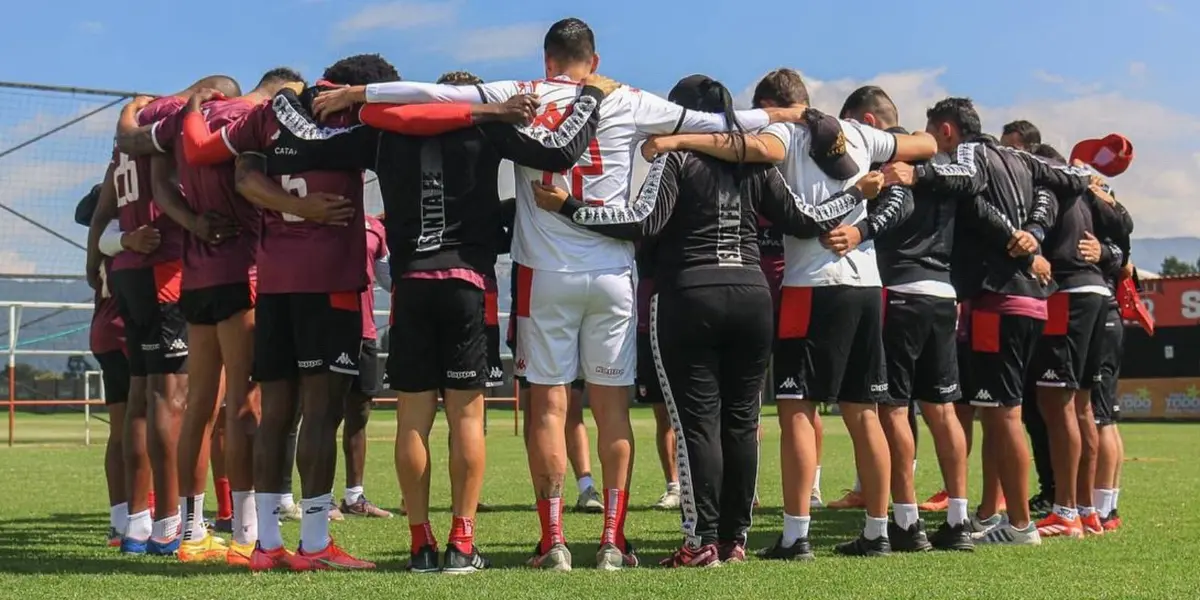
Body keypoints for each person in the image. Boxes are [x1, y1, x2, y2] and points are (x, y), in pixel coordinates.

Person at [317, 17, 811, 571]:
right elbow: (729, 123)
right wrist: (791, 115)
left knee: (549, 409)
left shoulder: (523, 93)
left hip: (543, 273)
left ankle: (552, 540)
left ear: (547, 61)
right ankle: (611, 541)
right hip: (612, 274)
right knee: (612, 411)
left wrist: (360, 93)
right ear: (593, 62)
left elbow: (436, 95)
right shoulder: (629, 98)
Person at [264, 64, 611, 573]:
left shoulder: (384, 131)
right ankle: (462, 545)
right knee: (467, 420)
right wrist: (589, 100)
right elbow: (559, 151)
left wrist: (292, 97)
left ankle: (420, 543)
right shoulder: (489, 126)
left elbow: (305, 143)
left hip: (411, 288)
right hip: (467, 285)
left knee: (413, 422)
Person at [534, 73, 885, 566]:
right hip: (751, 297)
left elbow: (641, 222)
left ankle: (700, 543)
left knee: (696, 423)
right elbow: (805, 218)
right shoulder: (756, 162)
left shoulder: (675, 157)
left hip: (688, 297)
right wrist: (856, 195)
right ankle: (734, 540)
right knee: (742, 422)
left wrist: (570, 207)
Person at [643, 68, 937, 558]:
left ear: (772, 106)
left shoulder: (779, 133)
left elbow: (757, 152)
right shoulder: (860, 133)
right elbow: (925, 145)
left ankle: (796, 533)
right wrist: (902, 177)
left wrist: (679, 141)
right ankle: (880, 529)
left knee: (796, 409)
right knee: (866, 411)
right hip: (866, 283)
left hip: (811, 284)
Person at [181, 57, 401, 570]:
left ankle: (265, 546)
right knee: (321, 413)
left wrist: (194, 106)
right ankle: (316, 542)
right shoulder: (354, 115)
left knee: (277, 414)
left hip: (274, 284)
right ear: (360, 88)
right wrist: (312, 210)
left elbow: (219, 162)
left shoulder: (268, 116)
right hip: (330, 284)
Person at [892, 97, 1099, 545]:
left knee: (1003, 415)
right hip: (1030, 302)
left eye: (932, 135)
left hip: (996, 299)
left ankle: (1021, 524)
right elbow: (1072, 180)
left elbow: (965, 183)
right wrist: (1035, 234)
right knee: (1000, 410)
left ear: (946, 130)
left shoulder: (971, 154)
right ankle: (996, 511)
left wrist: (918, 172)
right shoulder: (1021, 158)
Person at [99, 74, 239, 556]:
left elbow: (105, 210)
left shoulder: (131, 134)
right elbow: (164, 192)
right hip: (165, 268)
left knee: (141, 398)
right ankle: (169, 527)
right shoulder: (179, 123)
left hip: (128, 273)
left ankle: (136, 524)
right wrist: (198, 222)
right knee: (171, 399)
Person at [838, 86, 973, 551]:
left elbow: (889, 212)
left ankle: (908, 521)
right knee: (941, 409)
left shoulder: (891, 163)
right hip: (943, 292)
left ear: (869, 124)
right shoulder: (941, 164)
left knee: (893, 408)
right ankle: (958, 520)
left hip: (898, 289)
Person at [1025, 143, 1133, 538]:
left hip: (1067, 295)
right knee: (1083, 406)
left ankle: (1066, 510)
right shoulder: (1086, 190)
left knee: (1057, 403)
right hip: (1095, 296)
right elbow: (1123, 232)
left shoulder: (1052, 188)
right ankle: (1087, 510)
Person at [79, 184, 136, 547]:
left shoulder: (102, 241)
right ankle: (157, 515)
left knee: (119, 432)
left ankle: (120, 520)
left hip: (104, 332)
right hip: (131, 334)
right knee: (153, 427)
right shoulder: (128, 239)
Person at [338, 211, 392, 519]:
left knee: (359, 413)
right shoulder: (322, 212)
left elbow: (389, 279)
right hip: (330, 326)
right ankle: (313, 499)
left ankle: (354, 496)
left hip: (366, 331)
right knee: (321, 413)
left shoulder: (376, 226)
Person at [632, 250, 680, 510]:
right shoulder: (645, 212)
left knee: (706, 411)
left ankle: (717, 485)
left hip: (686, 315)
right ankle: (673, 486)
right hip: (647, 320)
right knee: (662, 413)